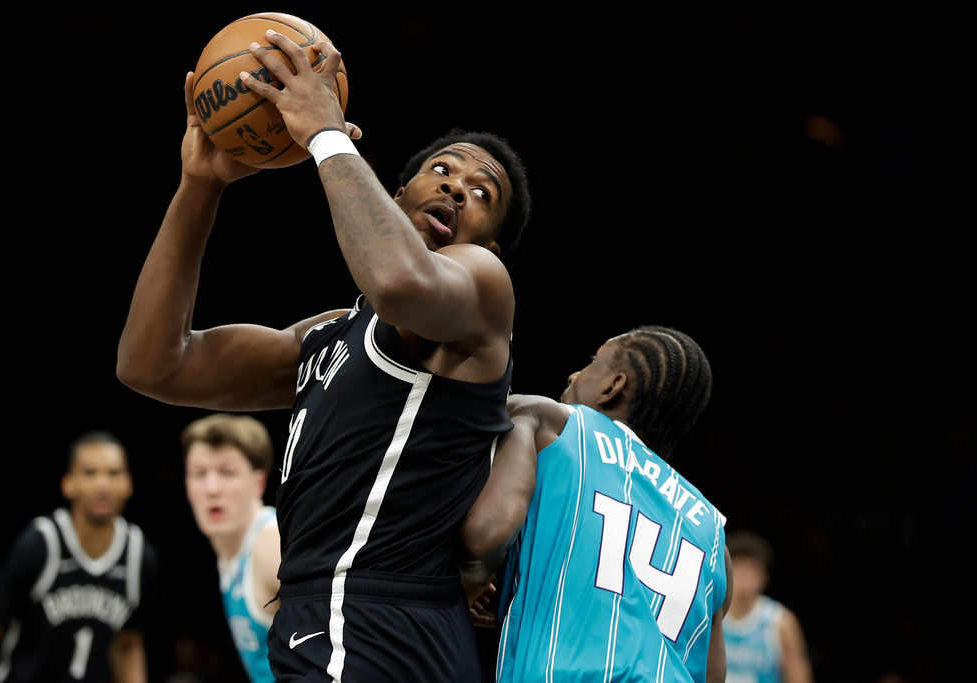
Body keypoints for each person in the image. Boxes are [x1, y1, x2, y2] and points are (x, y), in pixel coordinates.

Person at [115, 28, 532, 683]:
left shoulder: (480, 284)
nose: (455, 188)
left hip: (373, 615)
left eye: (484, 193)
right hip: (345, 618)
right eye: (442, 169)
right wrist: (200, 184)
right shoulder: (331, 335)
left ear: (493, 247)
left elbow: (398, 282)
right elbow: (153, 364)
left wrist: (323, 135)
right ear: (394, 198)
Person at [457, 326, 732, 683]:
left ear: (611, 386)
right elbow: (713, 676)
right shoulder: (714, 534)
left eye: (592, 362)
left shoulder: (550, 421)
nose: (574, 374)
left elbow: (485, 536)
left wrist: (465, 586)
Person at [0, 432, 159, 683]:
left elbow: (128, 644)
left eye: (113, 473)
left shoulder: (139, 554)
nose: (103, 485)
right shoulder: (41, 543)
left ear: (128, 483)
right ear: (68, 484)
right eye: (90, 473)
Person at [180, 412, 281, 683]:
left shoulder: (271, 547)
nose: (212, 488)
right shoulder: (228, 553)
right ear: (187, 485)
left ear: (258, 483)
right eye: (200, 474)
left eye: (227, 473)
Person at [722, 531, 814, 683]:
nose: (745, 579)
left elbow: (798, 676)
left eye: (751, 571)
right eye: (739, 570)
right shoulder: (710, 615)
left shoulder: (781, 622)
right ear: (726, 572)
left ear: (764, 577)